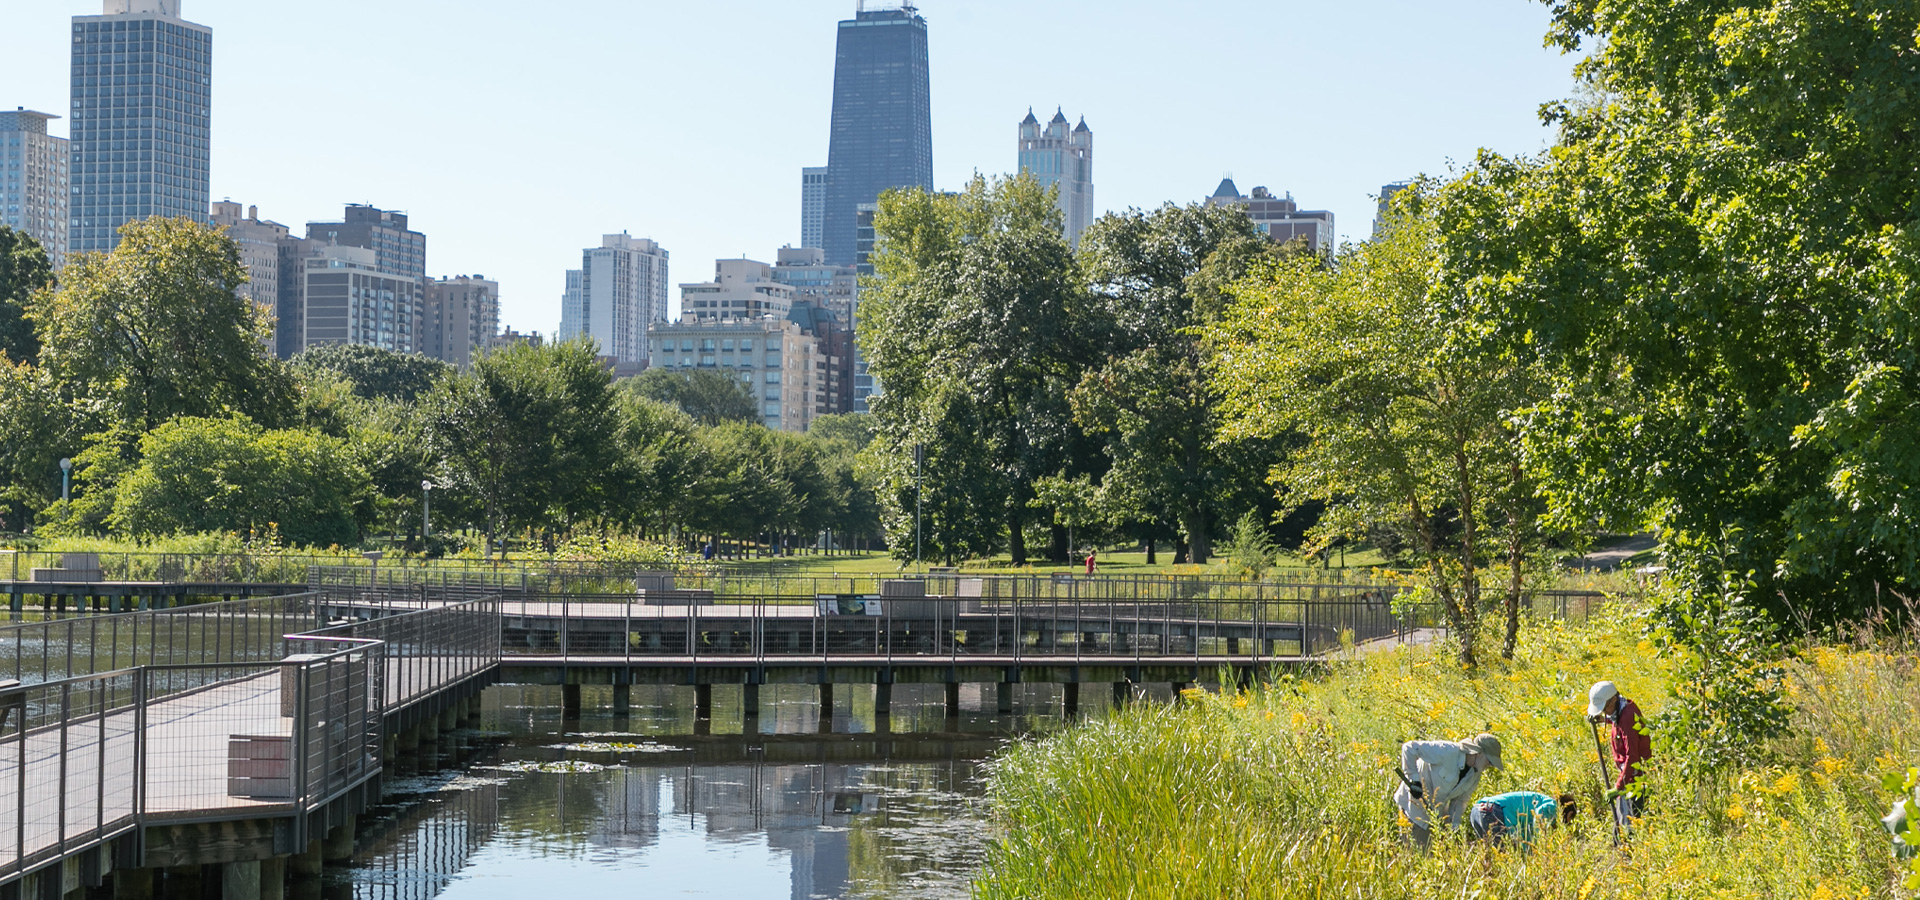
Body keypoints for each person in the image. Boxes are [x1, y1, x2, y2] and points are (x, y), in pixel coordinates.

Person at [1392, 733, 1505, 847]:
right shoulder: (1448, 751)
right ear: (1479, 753)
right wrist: (1414, 781)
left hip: (1434, 814)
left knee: (1433, 855)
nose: (1490, 765)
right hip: (1412, 805)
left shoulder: (1475, 774)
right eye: (1489, 761)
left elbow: (1460, 801)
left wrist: (1453, 828)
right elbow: (1409, 748)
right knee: (1417, 853)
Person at [1587, 680, 1652, 829]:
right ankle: (1622, 848)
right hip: (1627, 775)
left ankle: (1630, 850)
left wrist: (1618, 786)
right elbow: (1618, 720)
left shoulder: (1628, 716)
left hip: (1635, 777)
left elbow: (1633, 755)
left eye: (1605, 708)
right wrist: (1602, 719)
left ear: (1614, 699)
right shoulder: (1621, 710)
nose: (1604, 712)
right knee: (1622, 822)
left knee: (1630, 824)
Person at [1470, 791, 1577, 849]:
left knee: (1490, 855)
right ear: (1569, 812)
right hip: (1494, 812)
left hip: (1478, 810)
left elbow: (1525, 835)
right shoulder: (1553, 806)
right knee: (1504, 854)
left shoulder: (1540, 800)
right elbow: (1538, 815)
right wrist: (1538, 842)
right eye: (1570, 819)